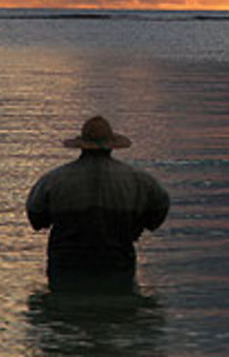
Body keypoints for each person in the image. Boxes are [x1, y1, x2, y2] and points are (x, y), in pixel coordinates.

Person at [26, 116, 170, 292]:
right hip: (117, 262)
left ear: (82, 146)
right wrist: (137, 227)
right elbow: (160, 207)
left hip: (66, 265)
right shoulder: (139, 180)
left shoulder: (53, 180)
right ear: (111, 146)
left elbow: (36, 217)